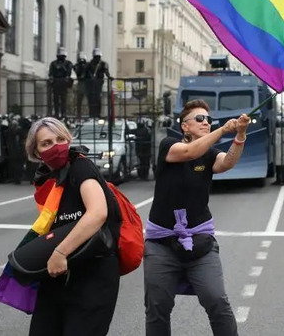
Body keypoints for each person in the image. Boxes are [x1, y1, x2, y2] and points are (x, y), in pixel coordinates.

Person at [144, 99, 250, 336]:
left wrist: (240, 134)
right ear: (184, 126)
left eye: (209, 120)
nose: (206, 123)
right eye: (200, 119)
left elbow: (227, 162)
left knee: (217, 301)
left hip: (200, 240)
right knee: (157, 306)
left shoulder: (209, 153)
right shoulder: (169, 145)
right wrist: (223, 129)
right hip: (161, 242)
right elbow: (191, 151)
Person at [24, 117, 122, 336]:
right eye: (46, 143)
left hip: (92, 273)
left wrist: (60, 252)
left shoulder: (80, 166)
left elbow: (98, 213)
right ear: (37, 151)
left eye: (60, 139)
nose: (56, 146)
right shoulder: (47, 179)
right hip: (59, 274)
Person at [49, 48, 74, 119]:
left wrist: (63, 68)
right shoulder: (53, 63)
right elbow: (51, 73)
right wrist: (51, 79)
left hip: (63, 83)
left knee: (63, 99)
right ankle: (56, 113)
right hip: (56, 83)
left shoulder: (68, 63)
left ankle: (63, 114)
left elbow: (68, 73)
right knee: (55, 99)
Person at [88, 48, 110, 118]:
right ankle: (91, 114)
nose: (97, 58)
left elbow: (106, 72)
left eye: (98, 57)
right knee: (91, 99)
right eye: (96, 57)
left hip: (99, 82)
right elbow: (86, 71)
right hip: (91, 83)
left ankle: (98, 113)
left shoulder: (103, 64)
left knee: (98, 98)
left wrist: (109, 76)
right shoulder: (90, 64)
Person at [74, 52, 91, 120]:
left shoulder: (87, 65)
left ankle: (90, 114)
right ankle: (79, 115)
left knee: (88, 100)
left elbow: (88, 73)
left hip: (86, 84)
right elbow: (77, 71)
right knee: (79, 100)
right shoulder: (76, 66)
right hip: (81, 83)